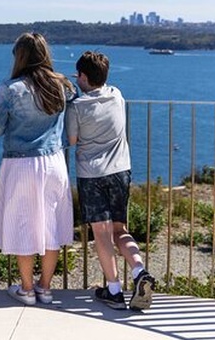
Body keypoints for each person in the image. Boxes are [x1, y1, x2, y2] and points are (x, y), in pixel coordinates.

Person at [66, 50, 156, 310]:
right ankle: (139, 271)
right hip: (120, 170)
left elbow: (72, 140)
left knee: (101, 235)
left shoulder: (77, 107)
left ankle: (114, 290)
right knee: (120, 231)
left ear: (82, 76)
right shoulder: (117, 96)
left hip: (92, 174)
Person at [0, 32, 75, 306]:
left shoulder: (11, 89)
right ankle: (45, 288)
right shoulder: (63, 86)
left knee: (24, 223)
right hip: (54, 162)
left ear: (21, 57)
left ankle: (26, 289)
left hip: (22, 163)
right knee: (52, 223)